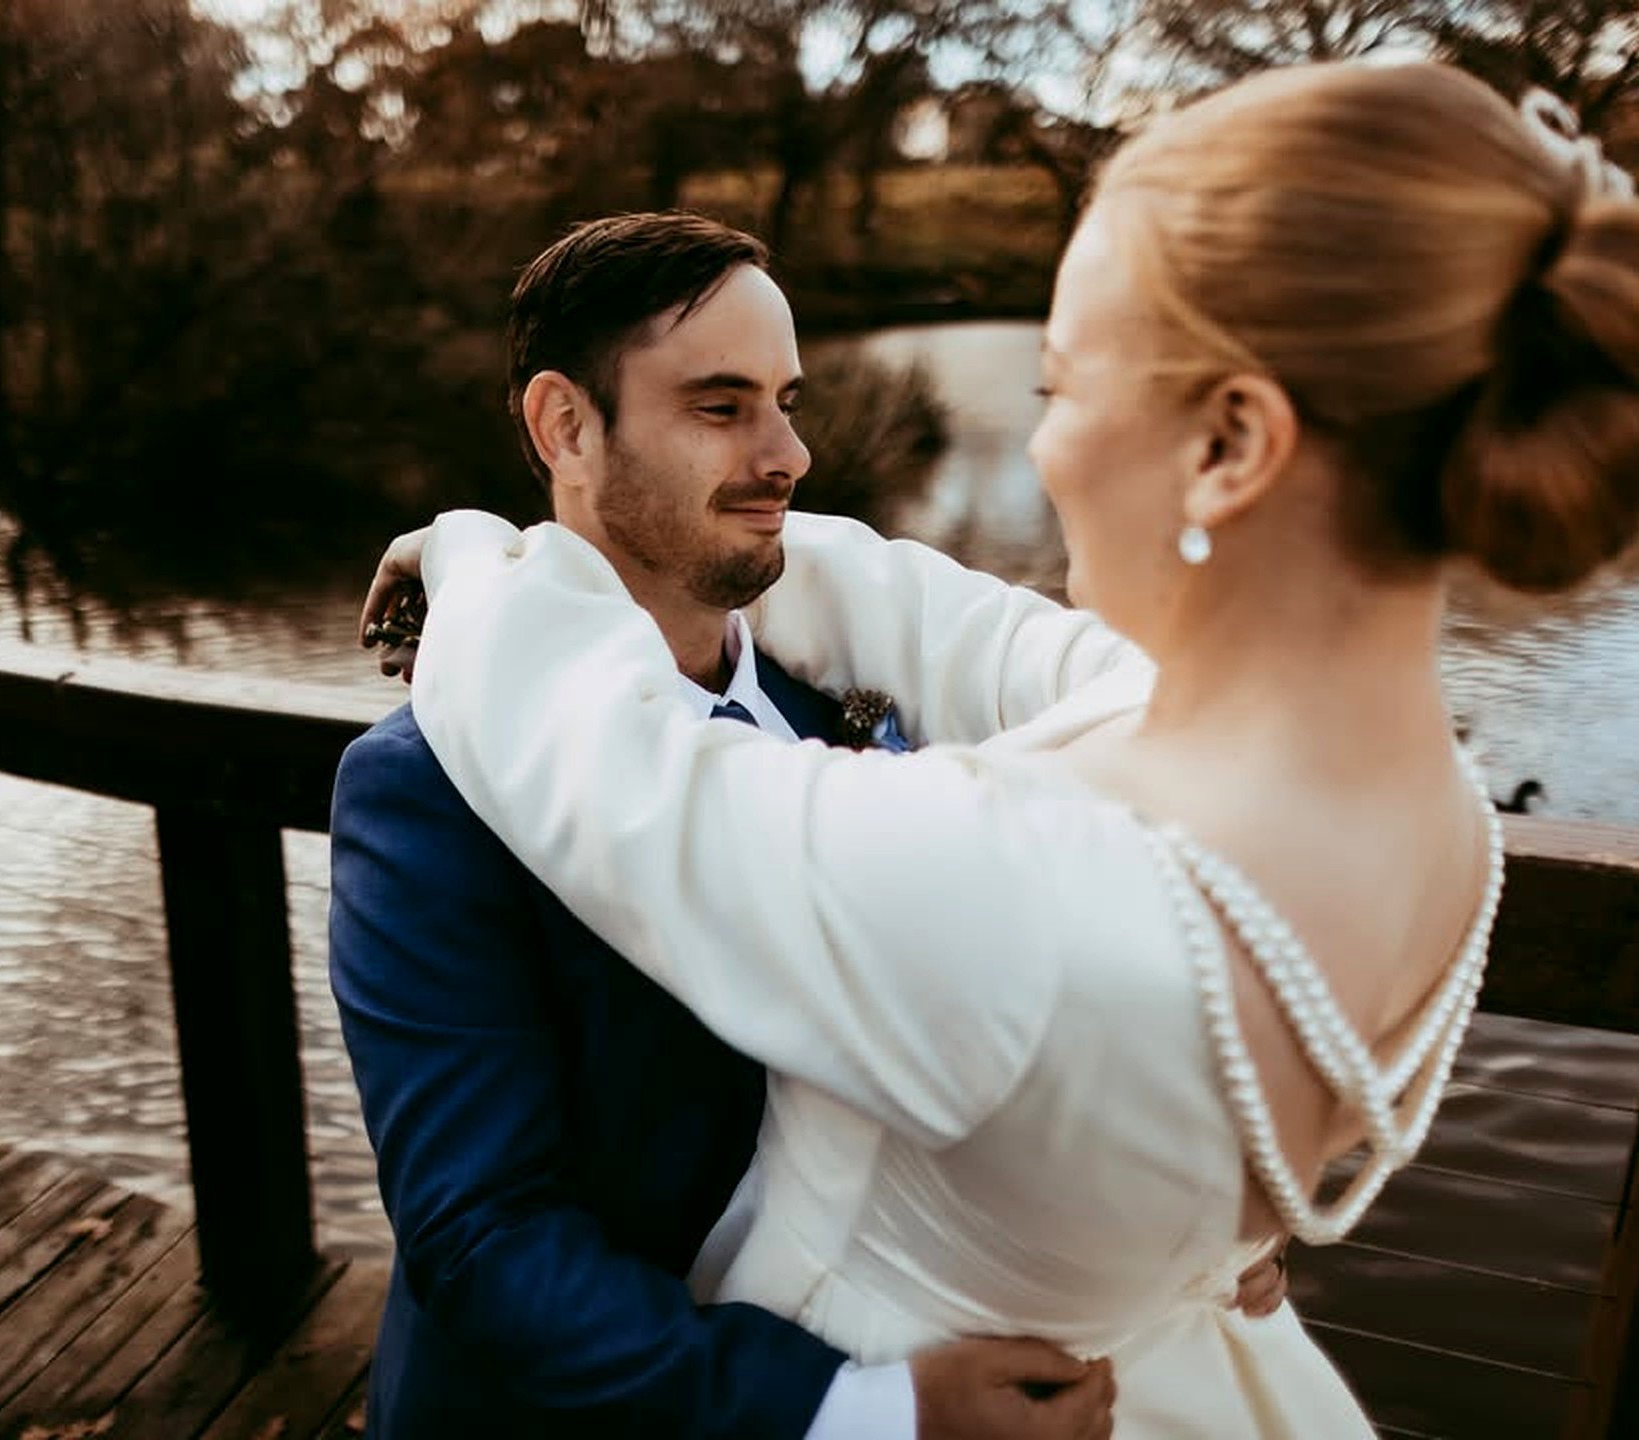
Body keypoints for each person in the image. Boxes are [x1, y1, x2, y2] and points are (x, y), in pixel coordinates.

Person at [376, 64, 1639, 1436]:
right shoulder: (1427, 813)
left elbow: (602, 767)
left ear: (1231, 443)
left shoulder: (1017, 874)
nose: (1041, 448)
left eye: (1061, 385)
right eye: (725, 405)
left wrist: (482, 562)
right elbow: (968, 632)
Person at [330, 213, 1282, 1440]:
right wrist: (863, 1410)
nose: (791, 452)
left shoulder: (849, 695)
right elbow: (483, 1236)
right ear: (567, 426)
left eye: (786, 399)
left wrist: (1182, 1218)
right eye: (722, 407)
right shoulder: (425, 790)